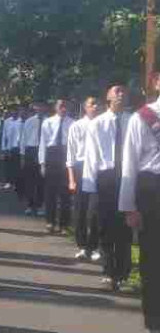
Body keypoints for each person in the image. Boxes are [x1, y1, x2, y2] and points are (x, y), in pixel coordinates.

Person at [119, 72, 160, 333]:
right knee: (153, 258)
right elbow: (129, 163)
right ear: (156, 81)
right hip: (152, 190)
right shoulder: (142, 116)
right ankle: (154, 320)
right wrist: (129, 206)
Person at [83, 83, 132, 291]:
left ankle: (123, 273)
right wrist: (90, 185)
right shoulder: (98, 123)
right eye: (116, 91)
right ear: (108, 97)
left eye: (123, 91)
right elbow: (91, 155)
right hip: (105, 178)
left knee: (125, 227)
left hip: (128, 176)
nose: (121, 94)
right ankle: (108, 271)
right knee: (105, 226)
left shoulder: (133, 121)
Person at [67, 96, 100, 261]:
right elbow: (71, 154)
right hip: (80, 167)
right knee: (80, 209)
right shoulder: (77, 126)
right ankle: (81, 245)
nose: (95, 106)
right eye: (91, 104)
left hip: (97, 168)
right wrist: (71, 178)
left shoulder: (102, 124)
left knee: (95, 210)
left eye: (97, 104)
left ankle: (94, 246)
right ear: (85, 107)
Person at [39, 99, 74, 234]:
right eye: (61, 106)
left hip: (66, 155)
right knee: (50, 193)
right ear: (55, 107)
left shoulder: (73, 123)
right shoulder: (48, 122)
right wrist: (42, 163)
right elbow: (43, 143)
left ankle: (64, 225)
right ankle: (50, 222)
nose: (63, 108)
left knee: (65, 193)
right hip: (52, 155)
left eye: (65, 106)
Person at [19, 101, 47, 216]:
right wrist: (22, 155)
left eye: (42, 106)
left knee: (42, 180)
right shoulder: (29, 121)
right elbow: (23, 139)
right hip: (31, 150)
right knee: (30, 180)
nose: (40, 108)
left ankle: (40, 205)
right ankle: (30, 205)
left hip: (43, 151)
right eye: (38, 106)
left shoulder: (48, 122)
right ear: (35, 108)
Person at [1, 105, 21, 189]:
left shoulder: (21, 121)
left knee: (16, 167)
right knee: (8, 166)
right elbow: (4, 135)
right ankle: (8, 182)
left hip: (17, 147)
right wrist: (3, 149)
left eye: (15, 111)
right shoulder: (7, 121)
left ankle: (16, 183)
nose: (13, 112)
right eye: (12, 111)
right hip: (8, 147)